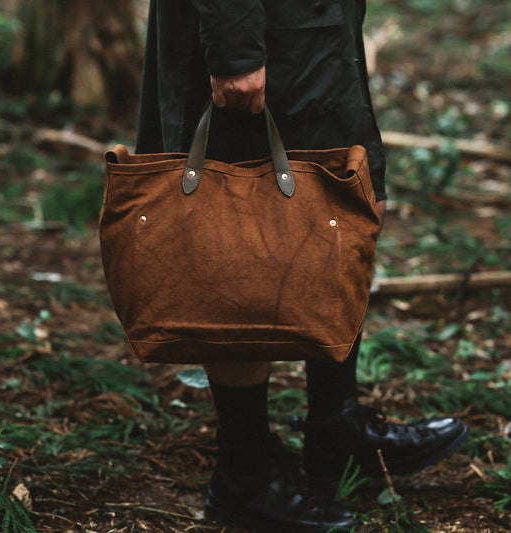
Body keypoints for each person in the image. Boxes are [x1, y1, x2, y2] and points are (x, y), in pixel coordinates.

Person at [135, 2, 469, 531]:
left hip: (317, 30)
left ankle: (335, 430)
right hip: (255, 35)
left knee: (342, 206)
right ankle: (244, 474)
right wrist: (234, 49)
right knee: (238, 243)